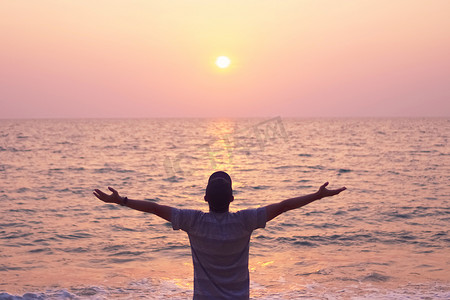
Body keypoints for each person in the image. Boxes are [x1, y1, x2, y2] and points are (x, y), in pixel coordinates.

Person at [93, 171, 346, 299]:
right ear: (233, 199)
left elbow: (155, 208)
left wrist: (121, 201)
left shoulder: (194, 221)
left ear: (204, 198)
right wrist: (316, 195)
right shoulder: (245, 221)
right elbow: (283, 205)